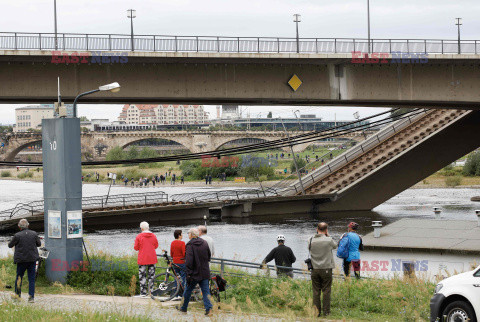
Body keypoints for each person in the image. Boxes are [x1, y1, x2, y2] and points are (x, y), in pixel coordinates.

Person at [177, 228, 213, 315]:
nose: (188, 235)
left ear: (192, 235)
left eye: (188, 233)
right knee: (206, 291)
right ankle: (209, 309)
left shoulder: (190, 245)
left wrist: (188, 273)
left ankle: (183, 307)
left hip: (194, 273)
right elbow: (209, 256)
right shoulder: (204, 243)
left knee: (188, 290)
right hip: (204, 271)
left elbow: (189, 260)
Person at [8, 219, 41, 303]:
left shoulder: (17, 235)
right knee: (31, 279)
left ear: (19, 227)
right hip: (32, 259)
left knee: (19, 278)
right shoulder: (34, 234)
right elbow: (39, 244)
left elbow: (10, 245)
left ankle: (18, 296)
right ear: (28, 225)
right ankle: (31, 297)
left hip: (21, 260)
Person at [308, 222, 337, 317]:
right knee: (326, 290)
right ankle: (326, 312)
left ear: (317, 229)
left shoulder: (310, 240)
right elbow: (335, 246)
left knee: (316, 291)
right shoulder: (329, 240)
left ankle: (316, 312)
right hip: (326, 268)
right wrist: (328, 235)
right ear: (326, 230)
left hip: (315, 268)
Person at [133, 221, 159, 298]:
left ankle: (143, 293)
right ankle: (151, 292)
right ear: (148, 227)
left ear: (141, 228)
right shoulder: (153, 236)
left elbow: (136, 248)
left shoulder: (139, 236)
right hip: (152, 258)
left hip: (142, 259)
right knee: (151, 275)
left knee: (142, 275)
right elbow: (156, 246)